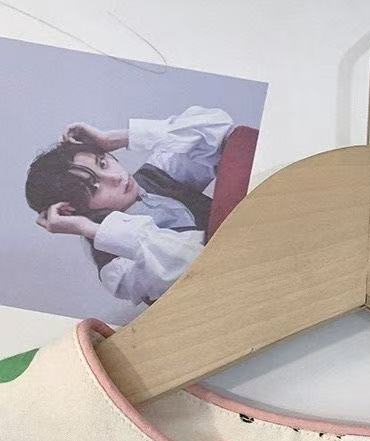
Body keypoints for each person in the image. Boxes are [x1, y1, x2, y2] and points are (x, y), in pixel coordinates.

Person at [25, 106, 234, 306]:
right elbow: (198, 263)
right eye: (94, 187)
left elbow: (221, 129)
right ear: (69, 211)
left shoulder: (154, 175)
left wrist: (116, 138)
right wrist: (86, 228)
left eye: (103, 163)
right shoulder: (113, 267)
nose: (116, 177)